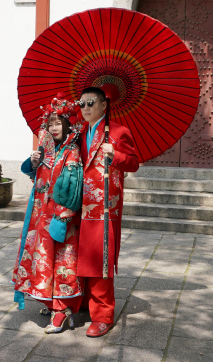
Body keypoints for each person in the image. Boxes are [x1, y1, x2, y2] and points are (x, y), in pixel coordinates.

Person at [13, 92, 85, 333]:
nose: (54, 127)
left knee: (63, 261)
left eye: (58, 122)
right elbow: (38, 178)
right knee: (41, 258)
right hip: (39, 213)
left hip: (59, 216)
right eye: (50, 122)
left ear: (67, 123)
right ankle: (48, 300)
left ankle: (62, 311)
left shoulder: (72, 152)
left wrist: (63, 217)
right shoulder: (46, 148)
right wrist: (34, 163)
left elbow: (73, 188)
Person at [77, 87, 139, 337]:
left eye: (91, 102)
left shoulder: (118, 132)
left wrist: (116, 155)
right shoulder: (80, 132)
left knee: (101, 257)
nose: (86, 108)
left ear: (104, 104)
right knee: (77, 254)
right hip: (78, 204)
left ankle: (103, 314)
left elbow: (133, 163)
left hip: (104, 206)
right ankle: (80, 301)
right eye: (81, 104)